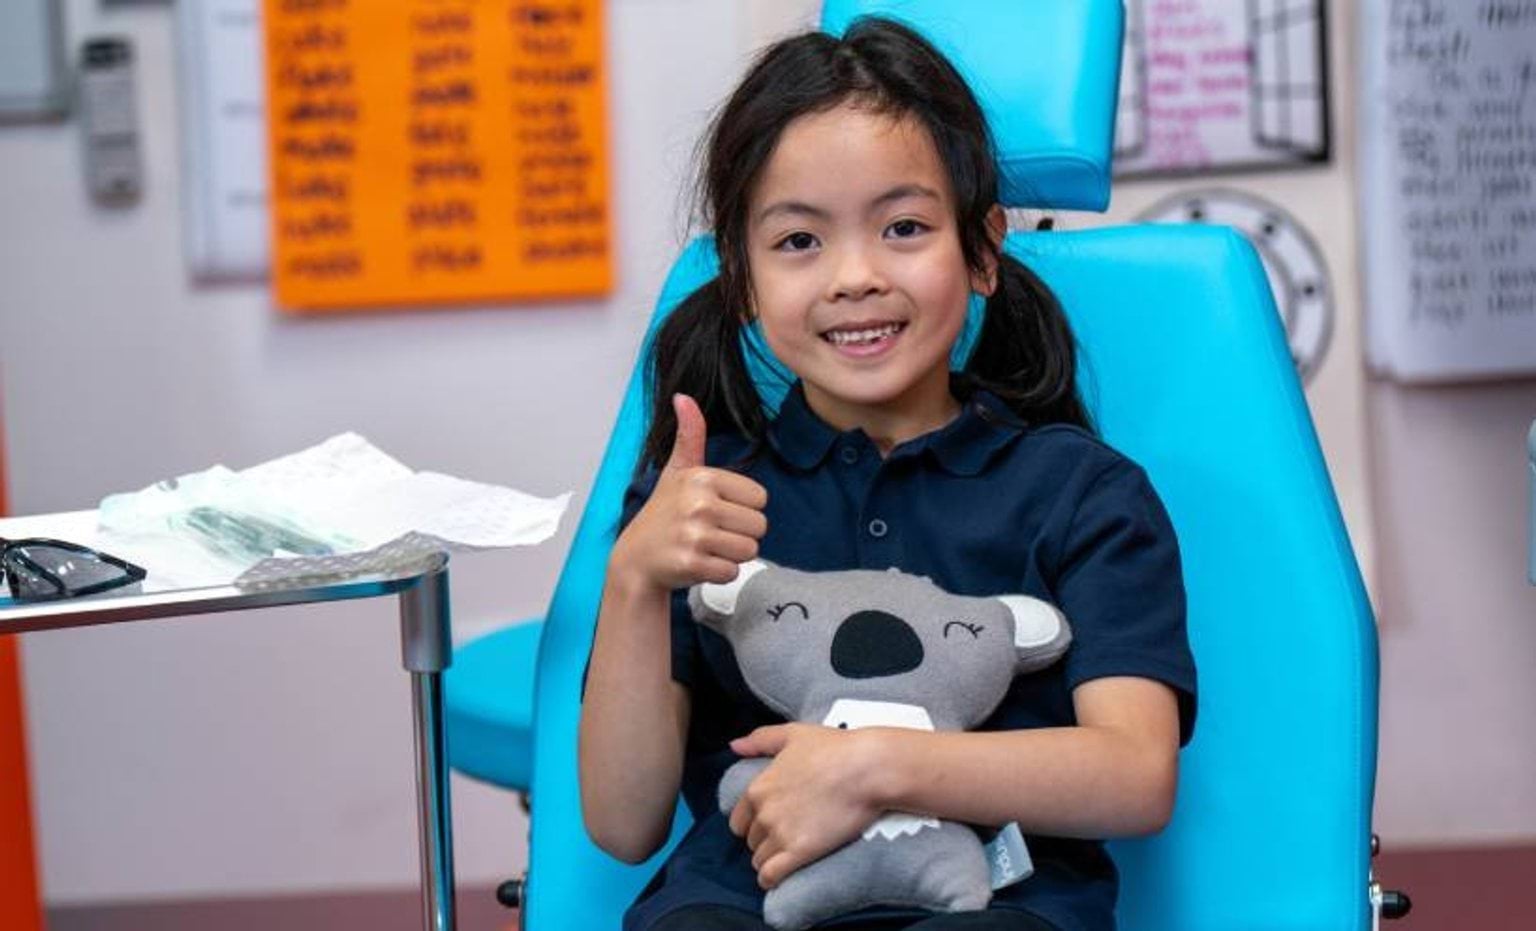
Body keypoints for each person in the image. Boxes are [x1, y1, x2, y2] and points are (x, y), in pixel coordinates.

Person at [579, 17, 1196, 931]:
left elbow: (1136, 775)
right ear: (741, 277)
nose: (856, 275)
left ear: (982, 250)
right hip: (742, 902)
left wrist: (872, 765)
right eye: (799, 241)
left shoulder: (1083, 494)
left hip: (995, 903)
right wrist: (636, 576)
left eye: (903, 227)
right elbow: (622, 823)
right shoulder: (703, 501)